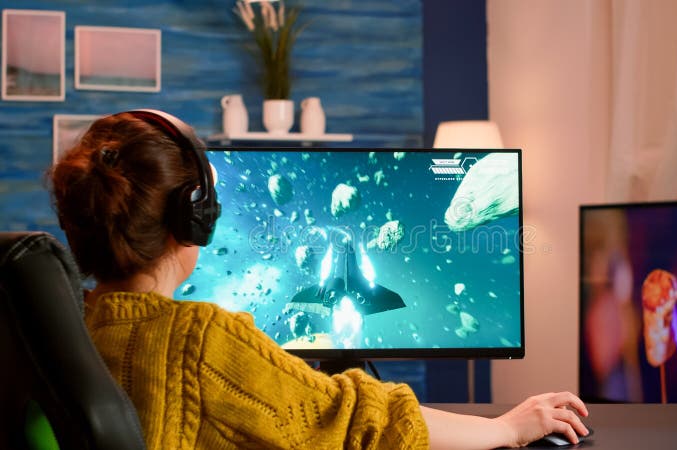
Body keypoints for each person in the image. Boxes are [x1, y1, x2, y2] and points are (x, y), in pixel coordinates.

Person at [48, 110, 590, 449]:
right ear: (195, 220)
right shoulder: (202, 341)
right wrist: (507, 428)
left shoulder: (56, 329)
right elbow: (353, 419)